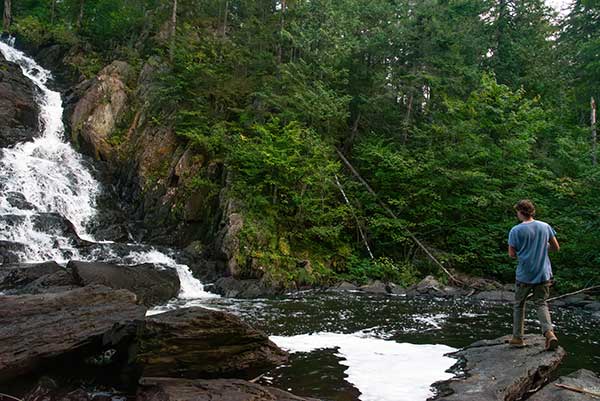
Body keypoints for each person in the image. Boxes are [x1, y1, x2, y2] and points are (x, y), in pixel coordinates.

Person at [507, 199, 560, 350]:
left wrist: (524, 251)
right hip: (543, 274)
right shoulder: (545, 226)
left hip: (524, 274)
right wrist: (542, 248)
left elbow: (511, 254)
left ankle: (518, 338)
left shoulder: (515, 230)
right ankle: (549, 334)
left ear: (520, 212)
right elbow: (556, 247)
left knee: (519, 305)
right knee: (541, 303)